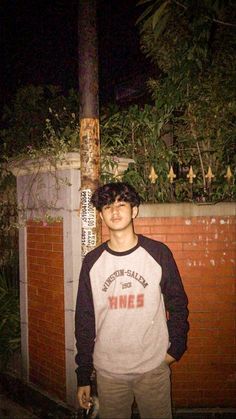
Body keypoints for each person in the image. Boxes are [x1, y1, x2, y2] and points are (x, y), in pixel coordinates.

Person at [75, 182, 189, 419]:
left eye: (121, 204)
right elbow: (84, 319)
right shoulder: (92, 262)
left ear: (134, 210)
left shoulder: (158, 253)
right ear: (101, 214)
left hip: (152, 369)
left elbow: (177, 303)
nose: (114, 211)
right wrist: (83, 375)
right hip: (109, 373)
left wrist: (175, 349)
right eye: (107, 206)